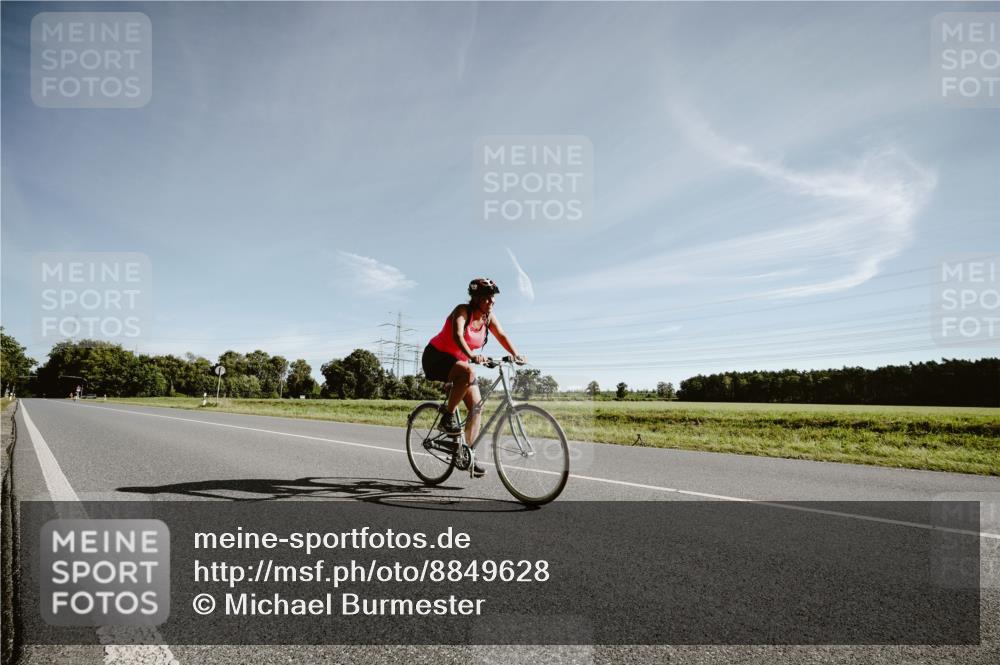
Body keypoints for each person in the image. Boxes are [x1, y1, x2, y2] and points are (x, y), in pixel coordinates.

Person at [422, 278, 525, 477]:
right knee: (469, 371)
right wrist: (471, 356)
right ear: (476, 299)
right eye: (486, 298)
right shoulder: (462, 311)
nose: (491, 301)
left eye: (492, 297)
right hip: (436, 358)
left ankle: (467, 453)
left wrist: (516, 354)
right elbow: (457, 336)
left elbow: (501, 335)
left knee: (477, 407)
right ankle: (447, 416)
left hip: (459, 363)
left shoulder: (488, 317)